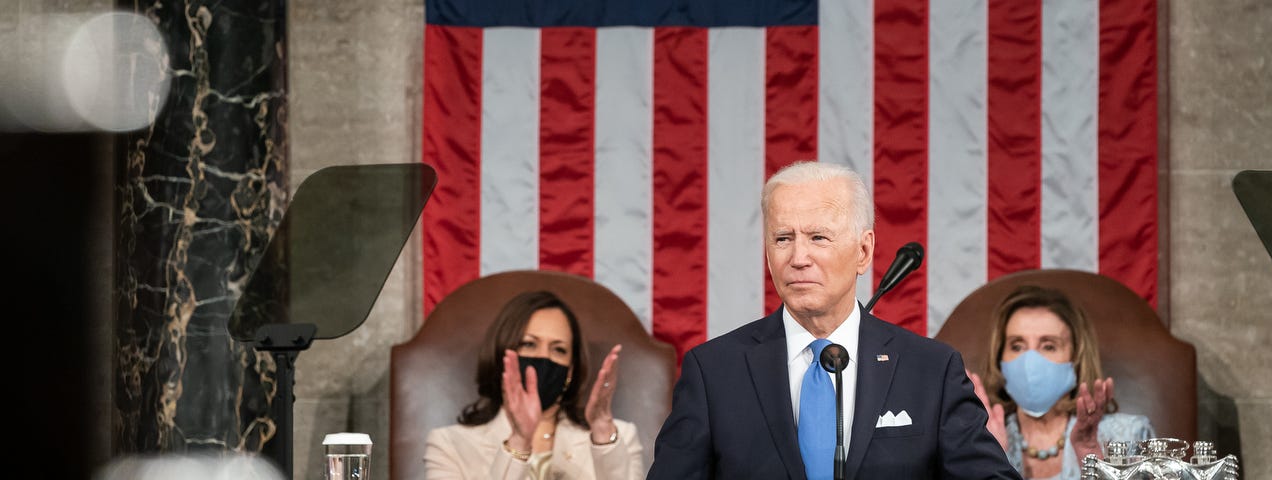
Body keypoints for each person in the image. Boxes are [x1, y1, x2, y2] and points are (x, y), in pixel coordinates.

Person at [648, 161, 1019, 480]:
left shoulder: (931, 371)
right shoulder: (714, 371)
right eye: (782, 238)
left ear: (863, 251)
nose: (798, 257)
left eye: (818, 237)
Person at [424, 291, 644, 480]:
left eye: (558, 349)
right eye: (529, 344)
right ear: (502, 354)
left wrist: (603, 433)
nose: (543, 358)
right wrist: (519, 442)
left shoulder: (617, 438)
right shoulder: (449, 445)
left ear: (570, 370)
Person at [970, 286, 1154, 480]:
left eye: (1049, 346)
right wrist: (993, 460)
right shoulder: (983, 441)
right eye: (1017, 346)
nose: (1030, 361)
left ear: (1076, 358)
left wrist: (1097, 465)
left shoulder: (1129, 437)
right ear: (1000, 358)